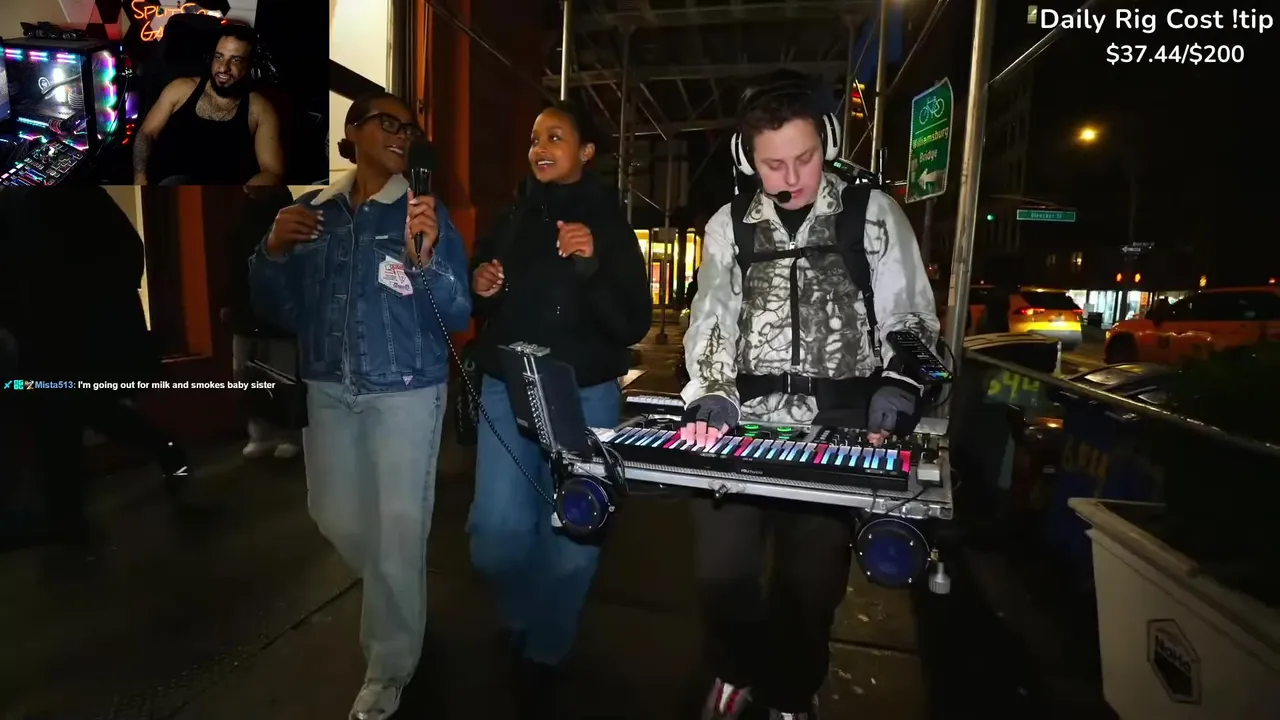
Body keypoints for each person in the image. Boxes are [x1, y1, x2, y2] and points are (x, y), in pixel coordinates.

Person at [679, 74, 940, 720]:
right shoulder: (729, 226)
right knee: (720, 572)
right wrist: (710, 393)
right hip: (743, 422)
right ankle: (735, 670)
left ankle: (791, 693)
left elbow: (909, 314)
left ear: (827, 144)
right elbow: (711, 319)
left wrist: (900, 383)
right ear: (747, 159)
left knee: (811, 584)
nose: (791, 177)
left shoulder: (871, 213)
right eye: (773, 164)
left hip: (839, 426)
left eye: (805, 158)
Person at [250, 91, 471, 720]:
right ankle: (403, 601)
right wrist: (271, 252)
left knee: (398, 530)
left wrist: (426, 259)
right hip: (328, 386)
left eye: (411, 129)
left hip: (406, 389)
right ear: (353, 130)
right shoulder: (311, 212)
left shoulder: (423, 212)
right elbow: (278, 309)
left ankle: (389, 668)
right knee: (334, 515)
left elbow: (457, 312)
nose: (403, 135)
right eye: (389, 123)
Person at [467, 101, 651, 718]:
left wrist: (593, 265)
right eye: (534, 138)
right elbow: (480, 283)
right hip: (507, 385)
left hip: (586, 393)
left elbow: (633, 321)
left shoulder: (610, 223)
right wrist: (482, 283)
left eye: (555, 136)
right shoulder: (514, 215)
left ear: (587, 151)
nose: (539, 147)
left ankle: (546, 648)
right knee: (495, 536)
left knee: (575, 534)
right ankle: (523, 614)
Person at [0, 186, 190, 546]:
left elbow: (126, 254)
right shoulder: (42, 198)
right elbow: (129, 253)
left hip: (72, 334)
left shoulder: (55, 197)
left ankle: (66, 517)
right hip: (54, 334)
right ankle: (69, 514)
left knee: (66, 416)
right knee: (76, 413)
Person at [134, 23, 284, 186]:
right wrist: (140, 177)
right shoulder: (180, 89)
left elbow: (272, 171)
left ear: (250, 66)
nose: (223, 68)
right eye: (219, 57)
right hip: (168, 189)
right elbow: (146, 133)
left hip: (222, 196)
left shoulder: (260, 109)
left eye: (235, 60)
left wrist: (242, 196)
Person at [223, 185, 302, 458]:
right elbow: (232, 266)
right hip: (247, 308)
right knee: (246, 375)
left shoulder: (288, 214)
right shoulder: (241, 215)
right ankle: (260, 434)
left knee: (281, 373)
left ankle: (289, 434)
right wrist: (228, 300)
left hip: (279, 310)